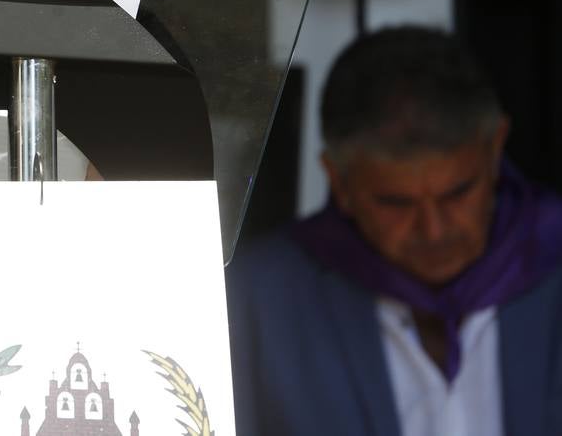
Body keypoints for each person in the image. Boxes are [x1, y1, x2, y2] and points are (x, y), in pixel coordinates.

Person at [226, 25, 562, 435]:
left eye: (458, 193)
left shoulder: (551, 256)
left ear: (495, 150)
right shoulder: (259, 302)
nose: (434, 230)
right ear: (339, 181)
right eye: (396, 203)